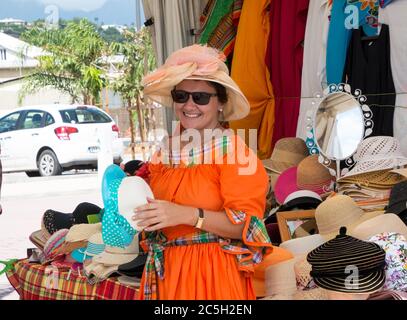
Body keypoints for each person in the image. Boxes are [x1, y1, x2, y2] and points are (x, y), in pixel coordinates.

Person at [131, 45, 275, 300]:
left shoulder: (234, 152)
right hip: (167, 273)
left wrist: (187, 215)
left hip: (213, 275)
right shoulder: (166, 151)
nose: (189, 105)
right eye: (181, 96)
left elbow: (247, 225)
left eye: (200, 97)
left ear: (220, 103)